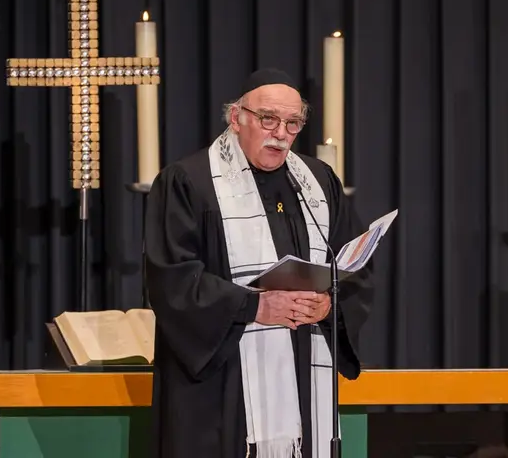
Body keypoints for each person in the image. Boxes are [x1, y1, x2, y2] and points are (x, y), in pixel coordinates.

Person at [143, 68, 375, 458]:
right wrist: (255, 305)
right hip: (222, 383)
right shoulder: (189, 181)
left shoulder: (318, 181)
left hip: (304, 366)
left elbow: (353, 265)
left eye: (292, 123)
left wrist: (330, 304)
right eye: (268, 119)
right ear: (237, 118)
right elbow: (172, 279)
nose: (281, 133)